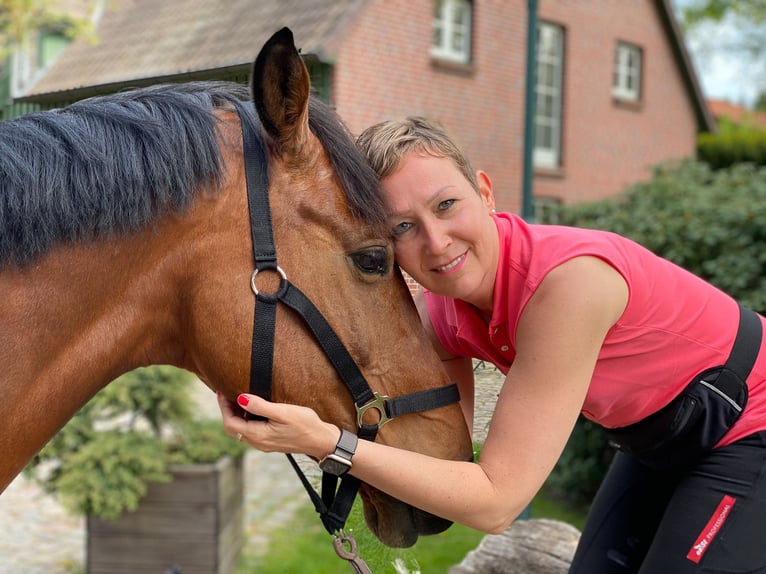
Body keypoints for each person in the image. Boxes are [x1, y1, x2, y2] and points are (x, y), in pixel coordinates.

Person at [218, 116, 766, 573]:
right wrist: (288, 405)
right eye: (403, 227)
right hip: (658, 442)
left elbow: (498, 500)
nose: (436, 242)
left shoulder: (569, 286)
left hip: (750, 429)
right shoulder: (442, 314)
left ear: (484, 191)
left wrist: (328, 444)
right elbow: (441, 454)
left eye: (447, 205)